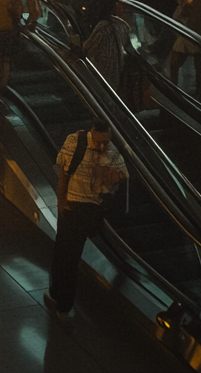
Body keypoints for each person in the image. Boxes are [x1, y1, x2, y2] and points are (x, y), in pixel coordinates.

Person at [46, 122, 128, 319]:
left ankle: (58, 297)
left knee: (67, 253)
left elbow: (123, 175)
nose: (102, 147)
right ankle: (63, 305)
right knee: (67, 255)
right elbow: (63, 172)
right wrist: (62, 201)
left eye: (106, 142)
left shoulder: (110, 150)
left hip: (92, 208)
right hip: (72, 205)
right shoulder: (74, 141)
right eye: (99, 142)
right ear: (92, 134)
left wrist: (109, 176)